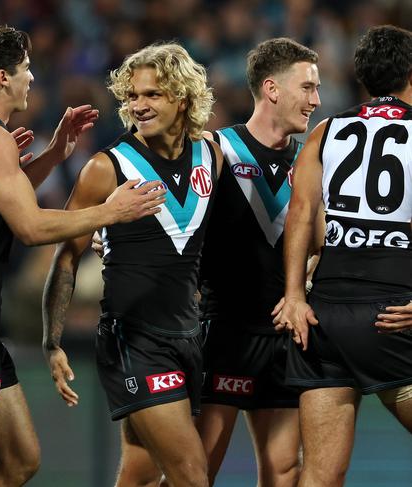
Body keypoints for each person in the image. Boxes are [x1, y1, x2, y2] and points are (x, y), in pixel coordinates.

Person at [0, 23, 166, 487]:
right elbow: (28, 226)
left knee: (21, 459)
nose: (32, 77)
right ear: (3, 77)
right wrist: (110, 212)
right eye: (26, 69)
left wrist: (52, 155)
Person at [91, 38, 322, 487]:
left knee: (285, 469)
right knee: (193, 470)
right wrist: (110, 236)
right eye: (307, 87)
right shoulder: (215, 150)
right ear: (272, 89)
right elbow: (170, 218)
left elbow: (319, 240)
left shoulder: (310, 158)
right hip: (221, 331)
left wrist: (309, 277)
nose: (316, 99)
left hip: (282, 334)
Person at [43, 42, 221, 487]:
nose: (138, 106)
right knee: (192, 474)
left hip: (188, 334)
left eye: (152, 95)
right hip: (134, 340)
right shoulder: (106, 167)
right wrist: (52, 341)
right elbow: (66, 255)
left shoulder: (211, 156)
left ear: (183, 96)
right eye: (133, 96)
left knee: (139, 475)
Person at [274, 25, 412, 487]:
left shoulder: (326, 132)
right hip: (394, 312)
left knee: (320, 476)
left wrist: (294, 294)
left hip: (325, 316)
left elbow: (300, 212)